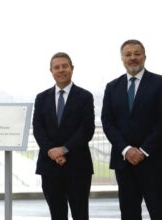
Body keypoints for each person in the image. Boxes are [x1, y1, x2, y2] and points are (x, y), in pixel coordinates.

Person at [101, 39, 162, 220]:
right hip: (124, 162)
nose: (133, 58)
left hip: (155, 161)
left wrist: (143, 151)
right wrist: (127, 150)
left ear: (144, 56)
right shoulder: (112, 87)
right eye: (128, 54)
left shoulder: (159, 84)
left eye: (137, 54)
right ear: (122, 58)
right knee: (128, 213)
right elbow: (107, 122)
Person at [33, 52, 95, 220]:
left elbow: (86, 129)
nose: (61, 70)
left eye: (64, 66)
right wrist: (52, 151)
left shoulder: (85, 97)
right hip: (50, 165)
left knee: (80, 214)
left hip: (77, 164)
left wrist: (64, 149)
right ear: (51, 71)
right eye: (57, 67)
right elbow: (38, 128)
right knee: (57, 214)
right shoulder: (41, 98)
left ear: (72, 68)